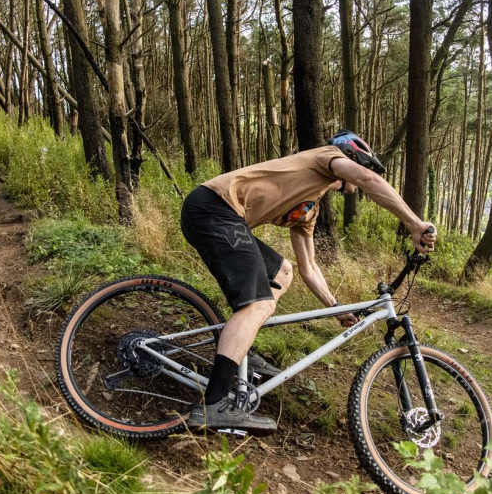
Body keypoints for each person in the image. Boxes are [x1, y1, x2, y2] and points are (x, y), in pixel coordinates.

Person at [179, 130, 437, 433]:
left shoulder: (309, 208)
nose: (362, 177)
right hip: (214, 209)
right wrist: (415, 224)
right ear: (352, 157)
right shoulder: (326, 157)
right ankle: (214, 405)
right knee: (258, 304)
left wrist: (336, 308)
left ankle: (242, 350)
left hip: (221, 216)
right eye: (364, 165)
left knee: (282, 272)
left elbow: (309, 268)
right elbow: (370, 180)